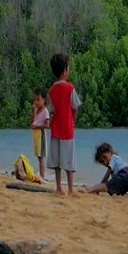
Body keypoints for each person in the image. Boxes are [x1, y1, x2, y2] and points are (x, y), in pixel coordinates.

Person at [47, 53, 81, 196]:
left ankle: (59, 188)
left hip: (56, 128)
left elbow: (52, 110)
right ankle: (71, 189)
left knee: (57, 160)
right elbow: (75, 106)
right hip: (67, 129)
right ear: (65, 71)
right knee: (68, 159)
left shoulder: (52, 90)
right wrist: (73, 120)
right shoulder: (70, 88)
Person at [30, 87, 50, 180]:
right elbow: (32, 122)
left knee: (41, 156)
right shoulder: (36, 110)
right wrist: (33, 112)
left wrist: (37, 127)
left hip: (41, 134)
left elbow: (47, 125)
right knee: (38, 156)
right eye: (35, 100)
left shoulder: (45, 111)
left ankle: (42, 176)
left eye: (38, 100)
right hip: (36, 134)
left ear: (44, 100)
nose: (36, 102)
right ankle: (41, 175)